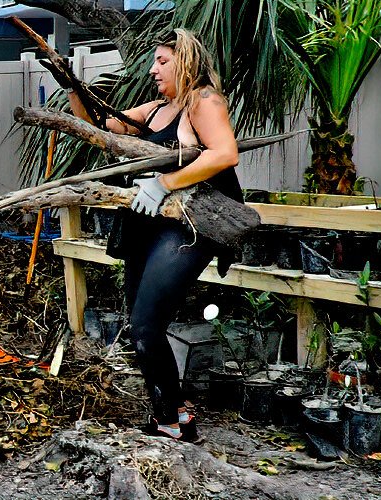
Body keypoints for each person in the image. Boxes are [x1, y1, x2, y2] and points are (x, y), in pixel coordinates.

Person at [67, 29, 239, 442]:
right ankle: (175, 412)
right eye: (154, 62)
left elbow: (224, 153)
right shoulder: (159, 108)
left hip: (188, 223)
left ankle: (171, 424)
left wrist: (164, 182)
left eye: (162, 61)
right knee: (141, 322)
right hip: (149, 223)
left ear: (187, 61)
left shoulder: (203, 101)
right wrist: (71, 84)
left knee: (146, 323)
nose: (153, 69)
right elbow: (102, 128)